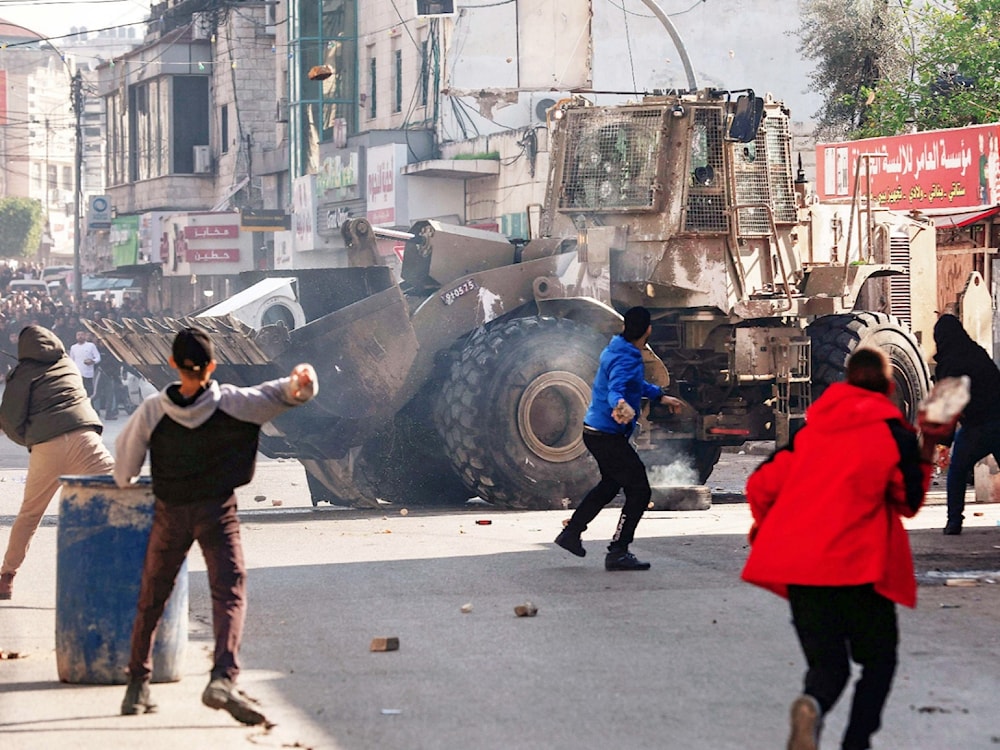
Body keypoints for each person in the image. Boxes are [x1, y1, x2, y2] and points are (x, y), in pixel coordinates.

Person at [741, 348, 955, 750]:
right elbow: (909, 501)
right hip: (858, 569)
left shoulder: (809, 435)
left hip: (802, 570)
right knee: (879, 660)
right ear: (889, 388)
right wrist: (930, 444)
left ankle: (812, 706)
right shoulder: (893, 434)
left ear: (845, 384)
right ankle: (856, 742)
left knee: (828, 667)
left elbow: (760, 486)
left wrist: (769, 528)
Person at [115, 327, 317, 725]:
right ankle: (222, 677)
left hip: (169, 513)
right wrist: (304, 381)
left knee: (153, 594)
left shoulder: (153, 411)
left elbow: (124, 473)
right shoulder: (236, 403)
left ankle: (136, 686)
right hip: (217, 512)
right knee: (229, 592)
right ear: (212, 366)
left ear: (172, 364)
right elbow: (286, 393)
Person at [554, 306, 682, 571]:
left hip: (595, 431)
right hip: (608, 436)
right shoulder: (628, 358)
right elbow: (617, 389)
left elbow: (633, 384)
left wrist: (660, 395)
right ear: (648, 329)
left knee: (611, 484)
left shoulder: (617, 348)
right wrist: (620, 405)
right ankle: (618, 551)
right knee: (640, 491)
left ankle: (571, 533)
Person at [0, 325, 115, 600]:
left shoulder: (22, 374)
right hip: (86, 440)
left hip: (46, 447)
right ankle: (141, 568)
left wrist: (29, 437)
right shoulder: (68, 364)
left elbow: (9, 419)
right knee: (124, 495)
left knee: (30, 515)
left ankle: (6, 577)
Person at [931, 313, 1000, 534]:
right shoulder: (977, 352)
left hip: (976, 427)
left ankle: (954, 521)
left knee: (957, 471)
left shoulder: (950, 363)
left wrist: (944, 444)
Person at [68, 329, 101, 397]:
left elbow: (98, 358)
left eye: (82, 335)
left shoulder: (91, 345)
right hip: (77, 374)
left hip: (88, 374)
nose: (80, 336)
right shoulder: (73, 347)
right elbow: (71, 360)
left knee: (88, 393)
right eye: (78, 335)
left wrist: (92, 361)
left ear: (85, 336)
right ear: (76, 336)